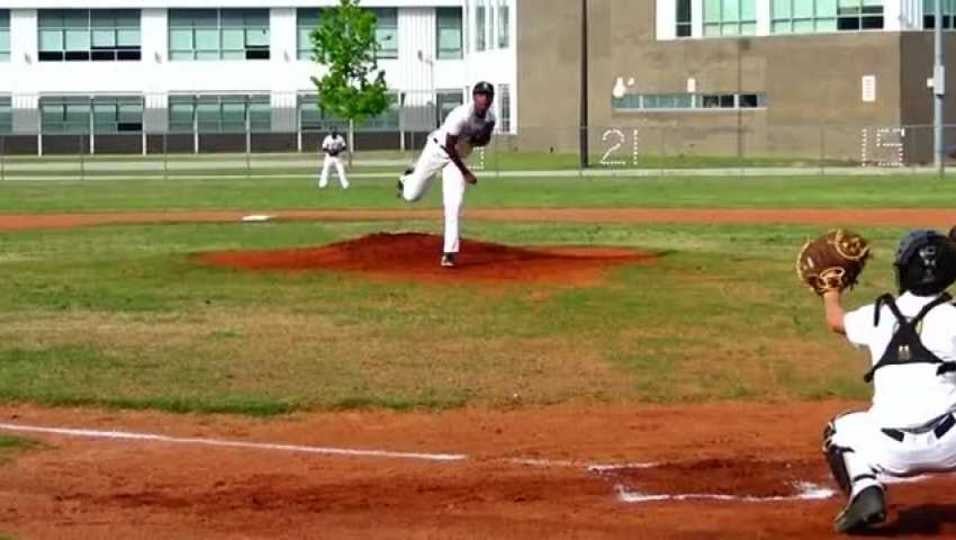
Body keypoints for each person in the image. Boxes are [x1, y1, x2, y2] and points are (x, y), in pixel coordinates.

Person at [820, 229, 956, 533]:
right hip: (952, 445)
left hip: (889, 451)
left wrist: (831, 291)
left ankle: (864, 487)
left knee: (838, 429)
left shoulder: (876, 315)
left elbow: (835, 321)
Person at [397, 82, 497, 268]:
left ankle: (449, 253)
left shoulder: (490, 119)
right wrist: (466, 172)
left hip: (457, 158)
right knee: (412, 195)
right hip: (438, 150)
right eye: (481, 94)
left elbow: (484, 140)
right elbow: (450, 146)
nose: (484, 98)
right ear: (474, 97)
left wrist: (480, 139)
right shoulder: (461, 115)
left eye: (488, 95)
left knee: (454, 203)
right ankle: (406, 179)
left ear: (492, 99)